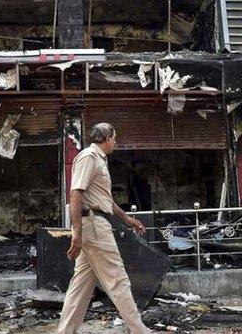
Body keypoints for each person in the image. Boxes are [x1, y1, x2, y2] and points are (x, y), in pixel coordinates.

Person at [58, 123, 150, 334]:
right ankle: (140, 331)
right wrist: (77, 233)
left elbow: (104, 200)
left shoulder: (99, 159)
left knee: (80, 286)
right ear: (107, 137)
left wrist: (126, 218)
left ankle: (65, 331)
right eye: (115, 138)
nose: (116, 142)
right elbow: (76, 193)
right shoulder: (89, 157)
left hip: (96, 223)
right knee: (118, 280)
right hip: (94, 227)